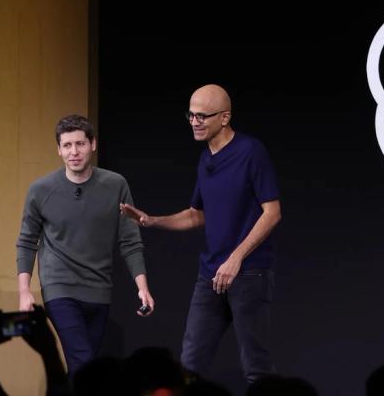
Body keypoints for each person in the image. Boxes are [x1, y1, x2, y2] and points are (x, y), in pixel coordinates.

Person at [120, 84, 282, 383]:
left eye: (202, 116)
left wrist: (236, 258)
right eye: (191, 115)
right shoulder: (206, 158)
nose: (194, 122)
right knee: (190, 365)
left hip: (248, 274)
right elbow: (196, 215)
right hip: (210, 275)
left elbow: (272, 212)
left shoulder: (250, 152)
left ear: (224, 117)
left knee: (256, 367)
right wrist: (151, 220)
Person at [16, 114, 155, 379]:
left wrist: (142, 287)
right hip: (59, 288)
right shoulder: (41, 190)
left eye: (80, 144)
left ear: (92, 145)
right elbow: (26, 241)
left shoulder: (115, 185)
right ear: (58, 149)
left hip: (99, 289)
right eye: (67, 145)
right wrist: (24, 291)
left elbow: (129, 240)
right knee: (83, 361)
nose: (74, 152)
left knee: (85, 369)